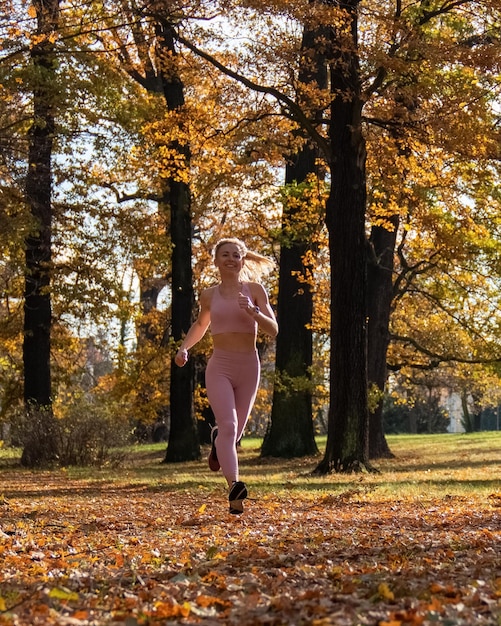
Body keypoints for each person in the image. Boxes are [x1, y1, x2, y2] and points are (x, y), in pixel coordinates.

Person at [174, 237, 278, 515]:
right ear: (216, 260)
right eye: (226, 255)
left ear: (243, 261)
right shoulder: (208, 295)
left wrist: (253, 311)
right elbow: (200, 324)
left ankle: (219, 445)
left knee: (232, 435)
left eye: (236, 255)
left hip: (248, 367)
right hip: (220, 366)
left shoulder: (255, 291)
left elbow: (273, 330)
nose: (231, 259)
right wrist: (184, 347)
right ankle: (235, 487)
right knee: (230, 427)